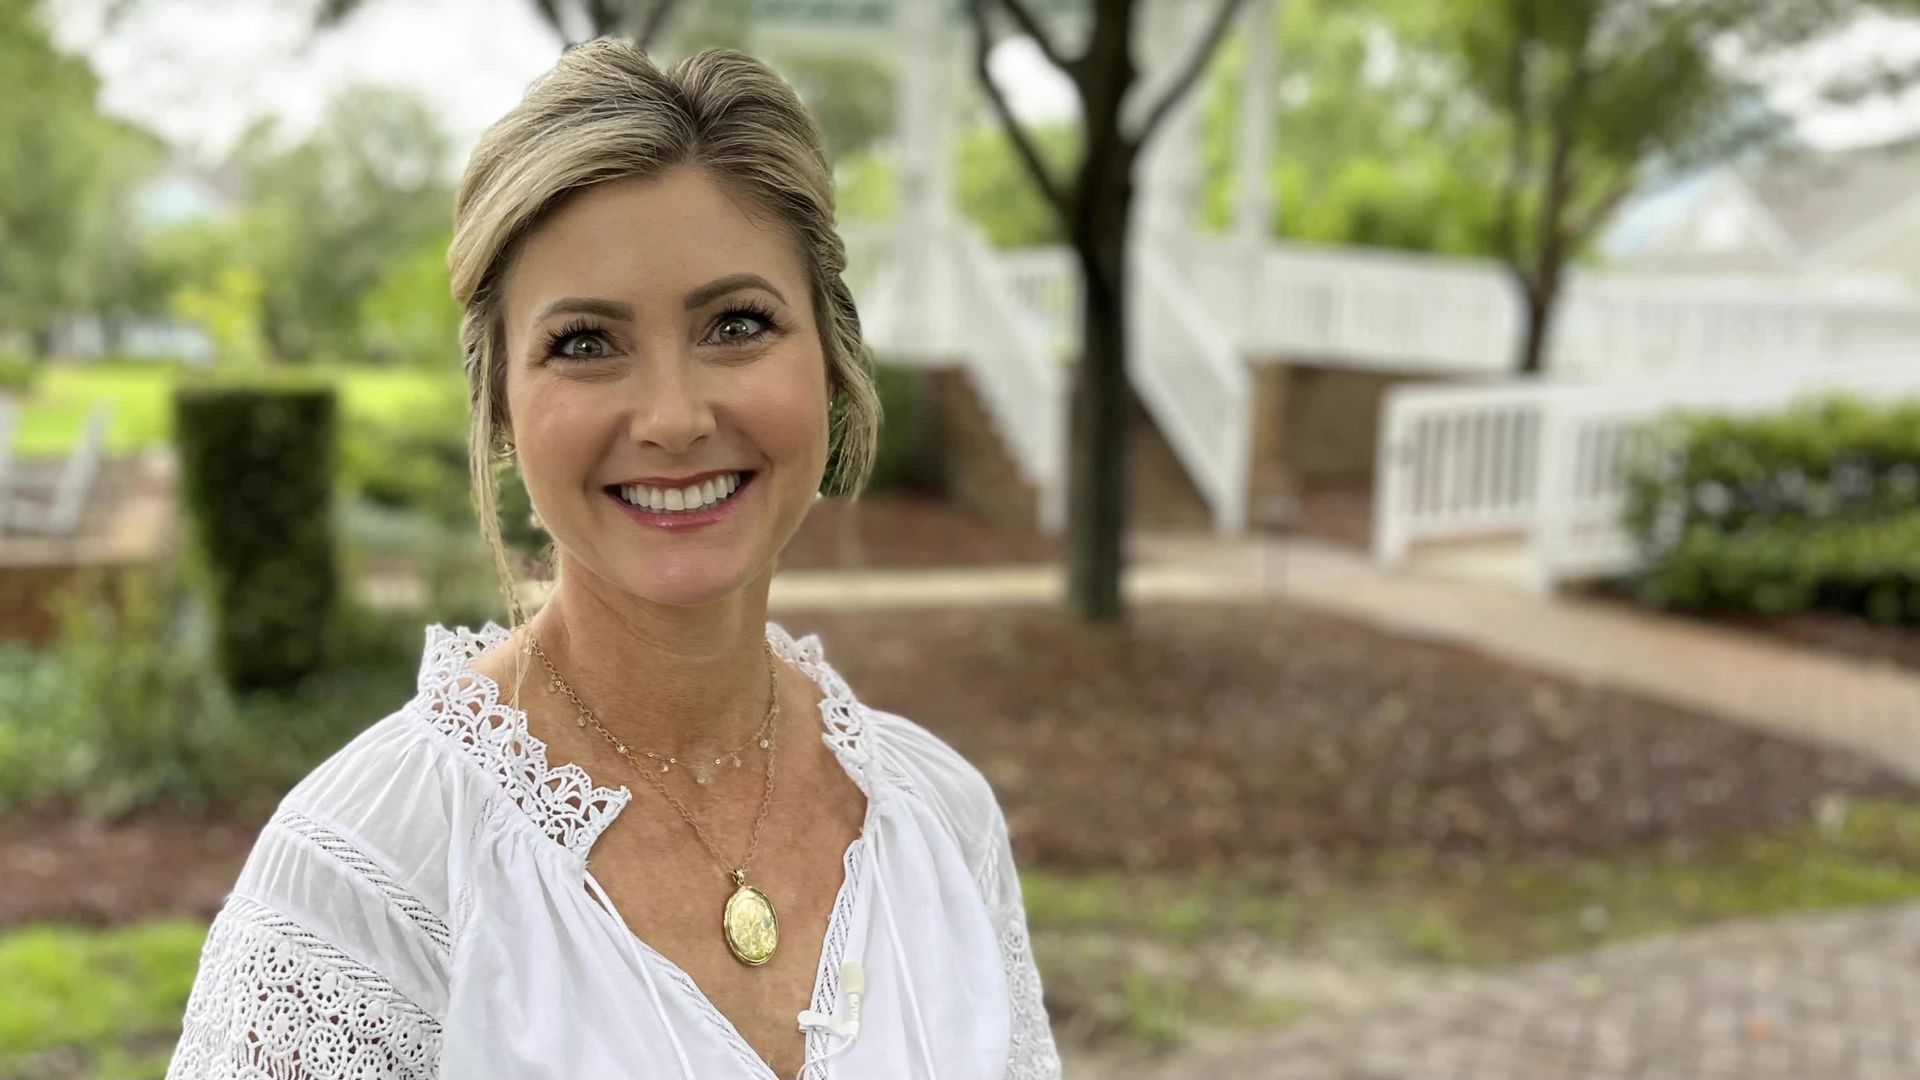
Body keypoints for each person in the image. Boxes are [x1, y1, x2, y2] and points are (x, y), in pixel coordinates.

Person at [164, 40, 1061, 1080]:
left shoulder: (941, 823)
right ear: (501, 404)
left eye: (737, 323)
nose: (675, 419)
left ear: (831, 359)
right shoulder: (376, 875)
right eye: (587, 342)